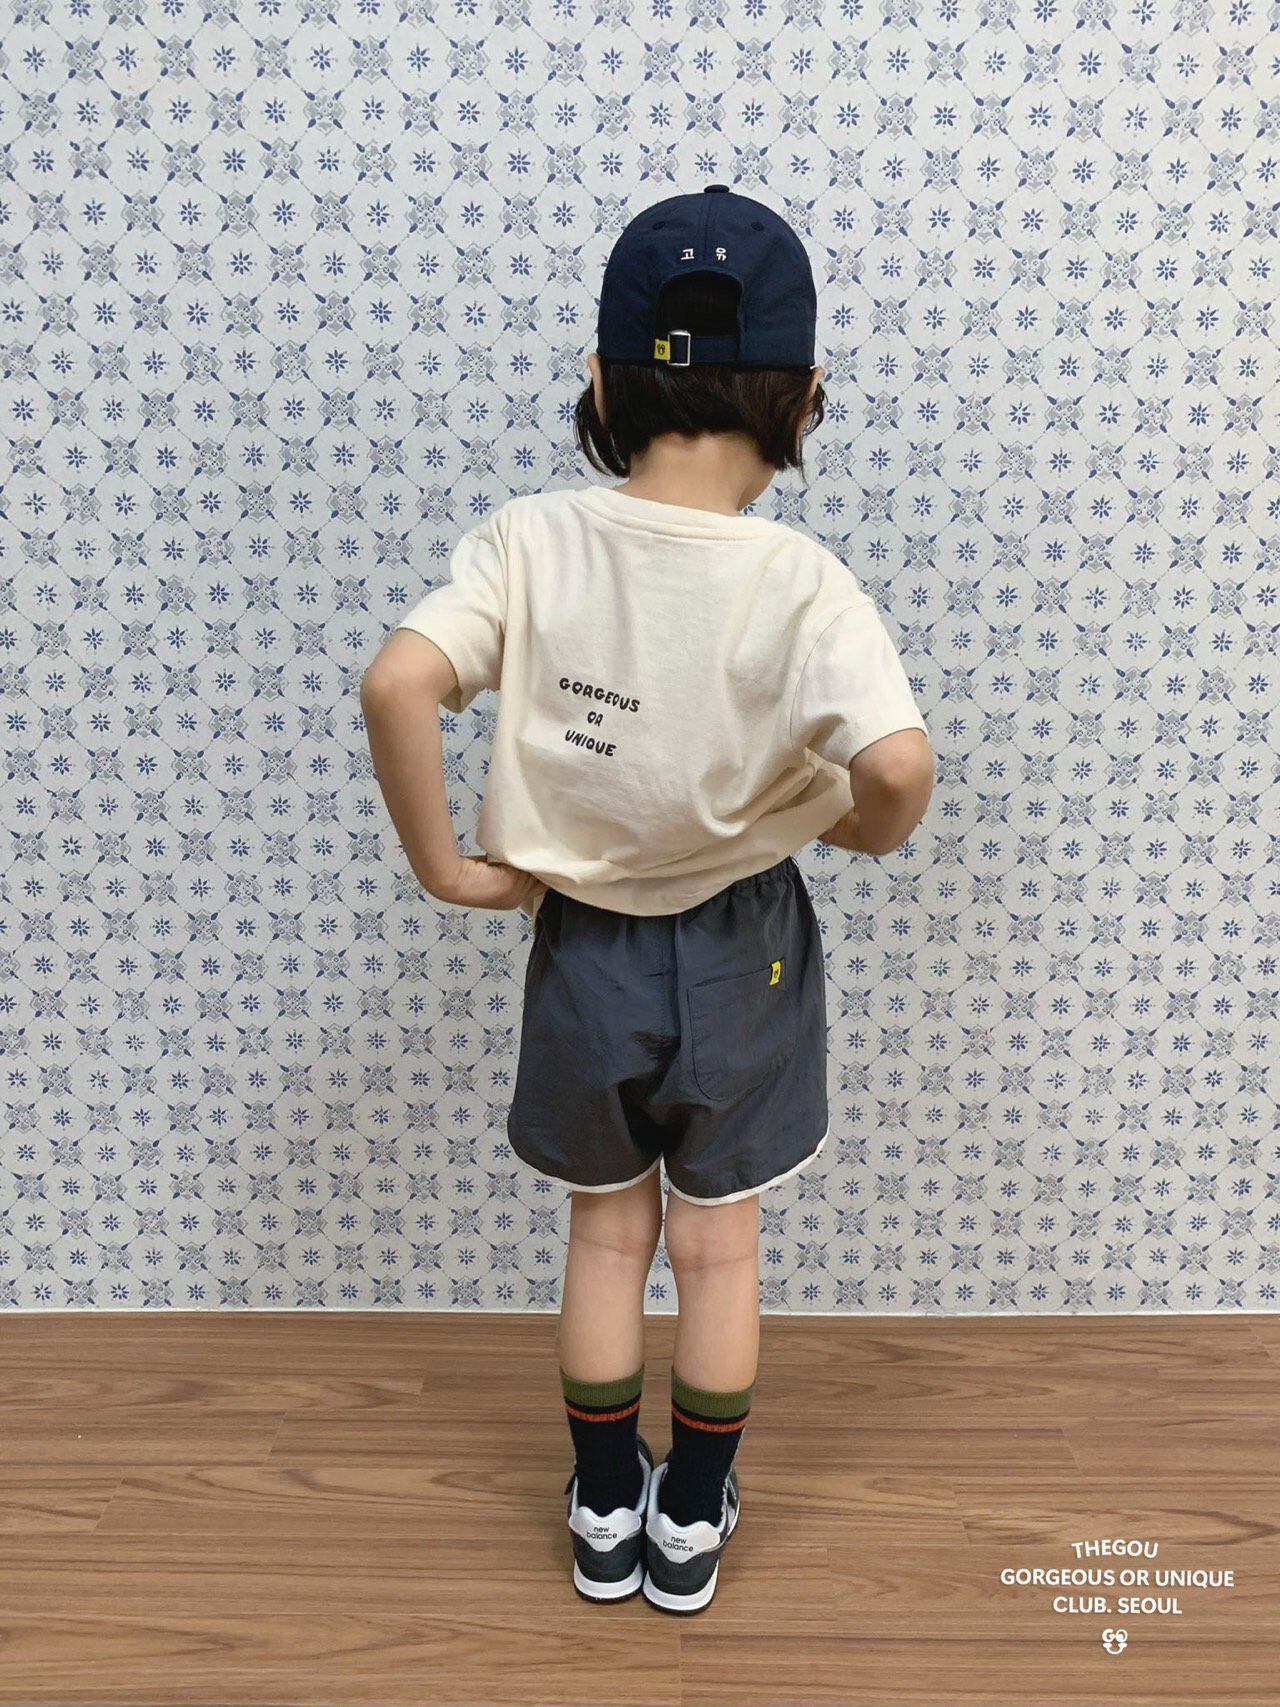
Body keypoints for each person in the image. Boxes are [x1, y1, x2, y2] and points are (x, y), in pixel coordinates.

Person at [360, 185, 935, 1615]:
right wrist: (862, 831)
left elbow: (399, 682)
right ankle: (691, 1518)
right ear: (805, 398)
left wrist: (447, 868)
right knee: (718, 1247)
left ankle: (605, 1496)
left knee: (607, 1236)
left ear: (604, 384)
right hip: (748, 954)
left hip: (585, 952)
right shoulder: (803, 581)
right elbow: (900, 767)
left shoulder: (531, 542)